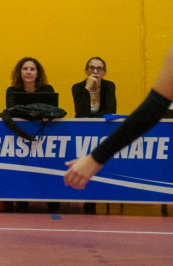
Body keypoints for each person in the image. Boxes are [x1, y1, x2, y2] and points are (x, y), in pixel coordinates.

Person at [66, 45, 173, 189]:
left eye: (99, 68)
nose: (95, 71)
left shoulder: (109, 86)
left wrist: (95, 158)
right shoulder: (79, 87)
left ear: (104, 72)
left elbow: (112, 111)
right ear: (86, 70)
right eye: (92, 68)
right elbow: (81, 114)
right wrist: (88, 90)